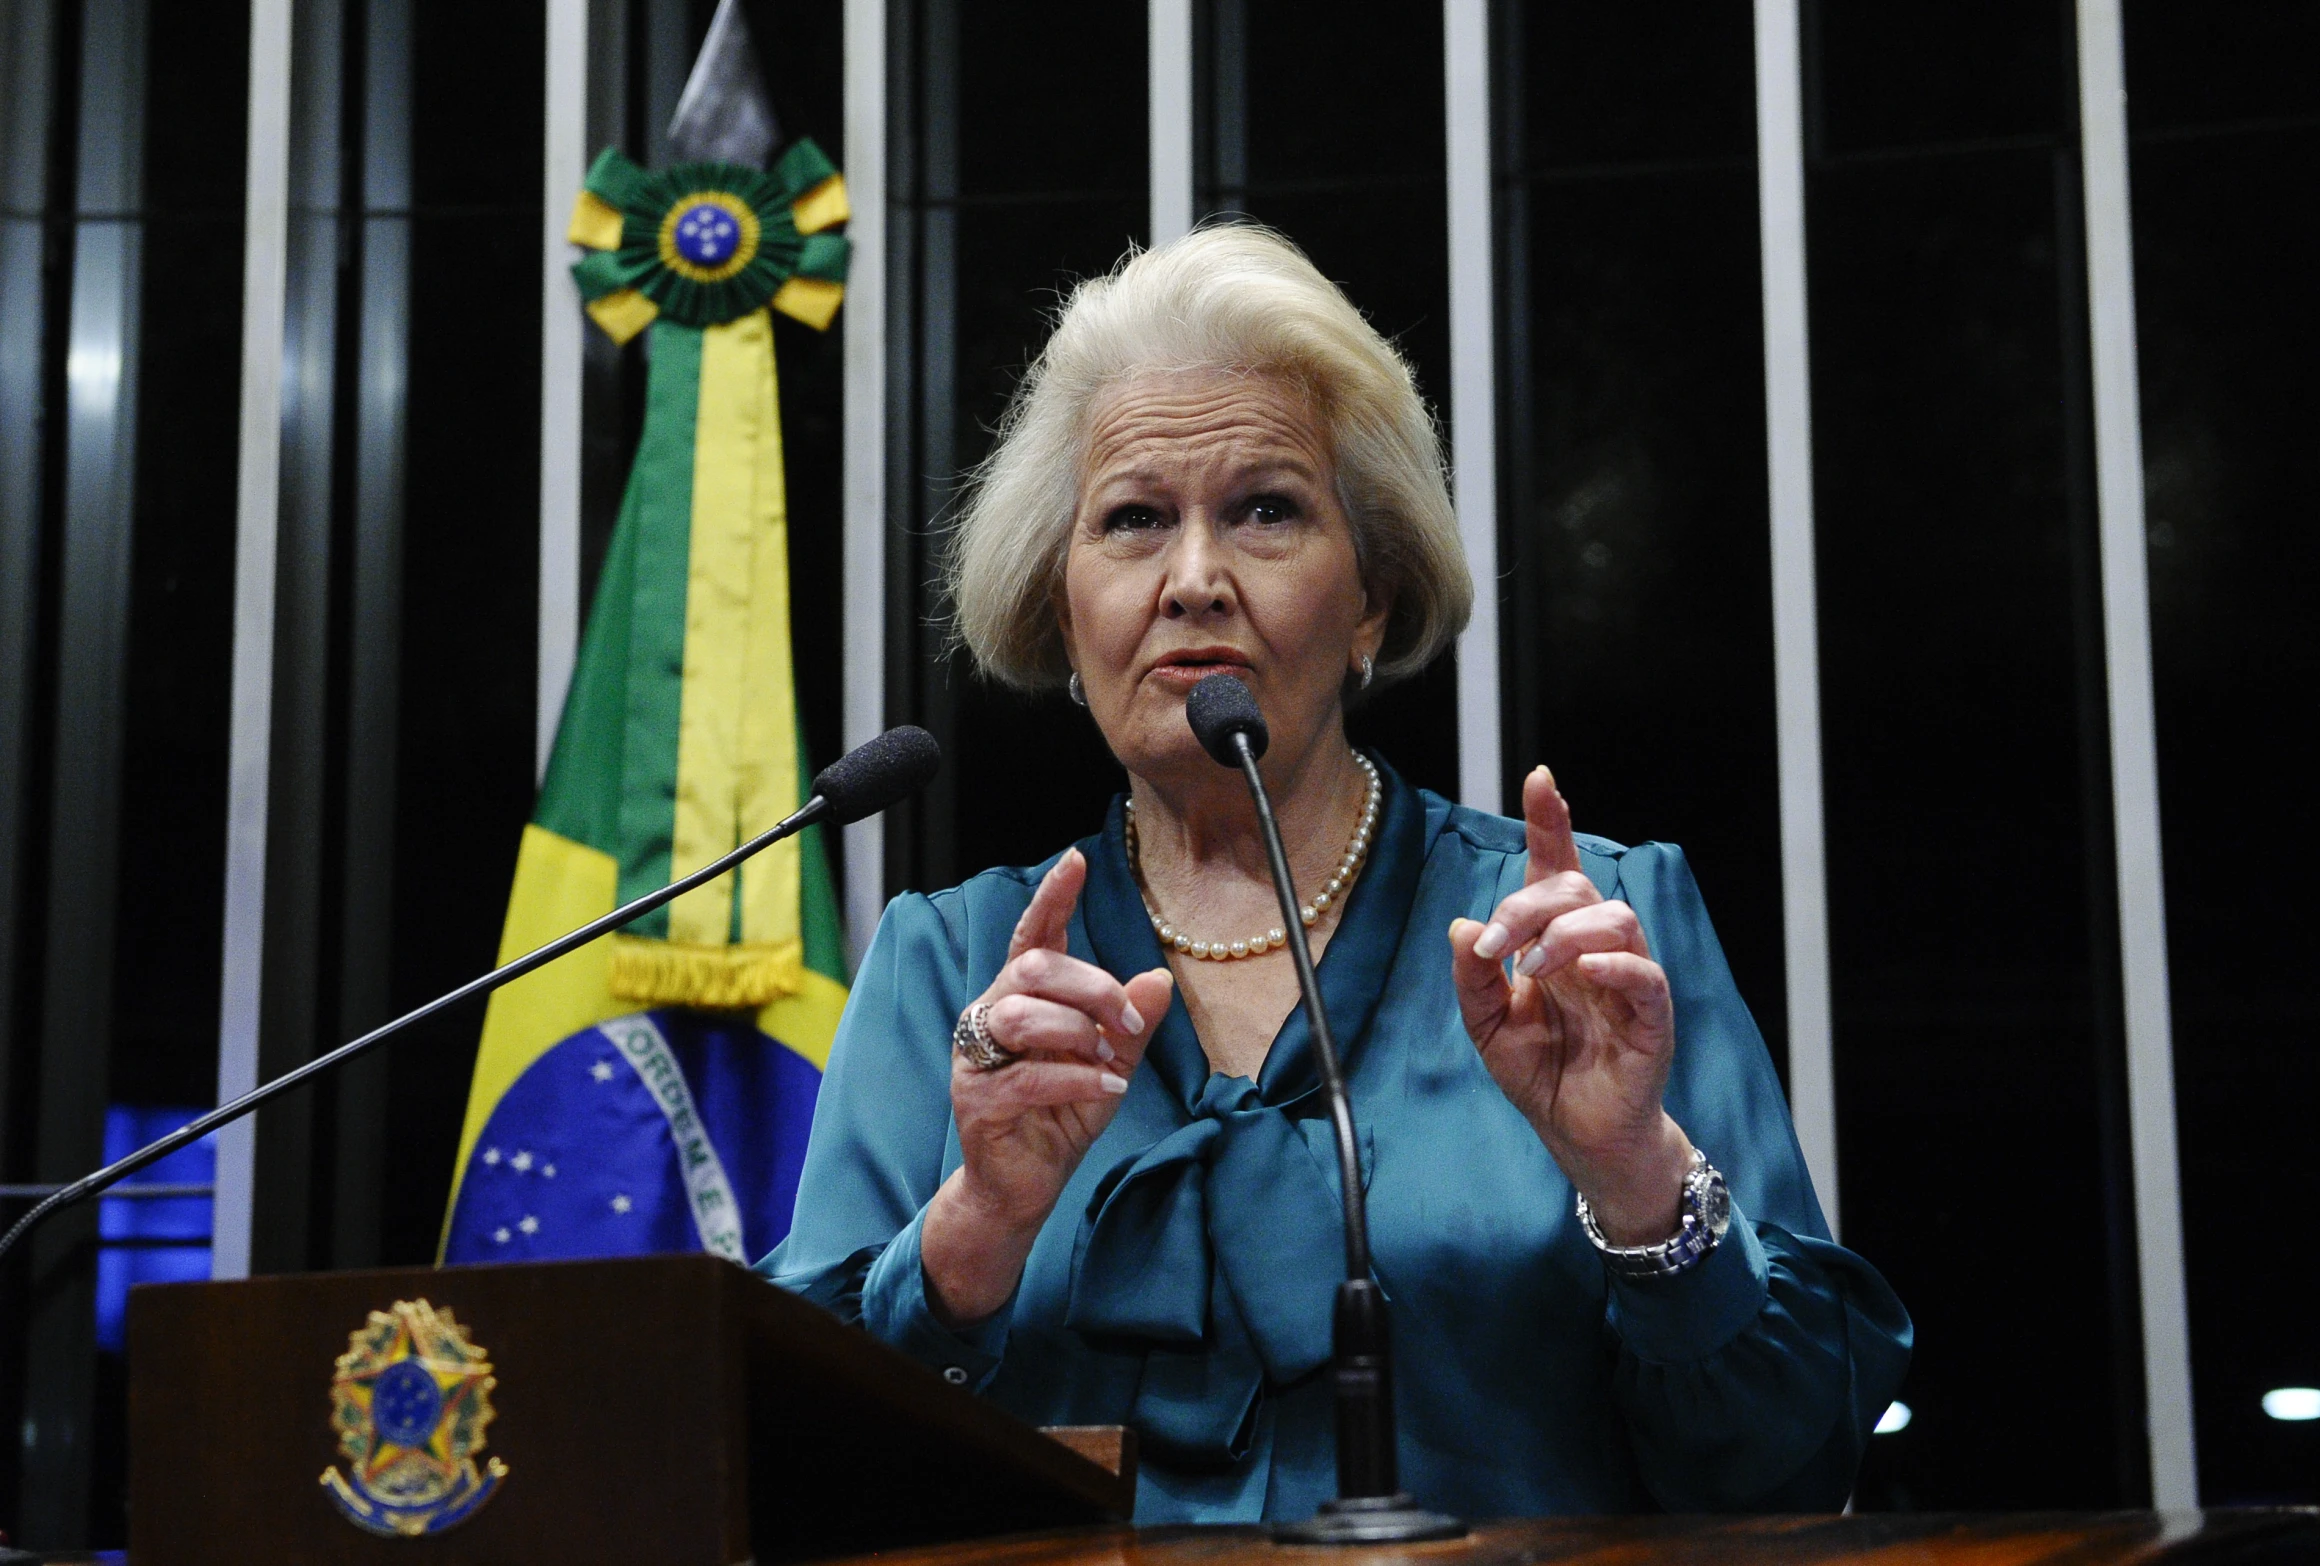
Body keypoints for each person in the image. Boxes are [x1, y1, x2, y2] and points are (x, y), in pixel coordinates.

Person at [760, 224, 1910, 1524]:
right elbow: (792, 1473)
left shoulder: (1589, 937)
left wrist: (1636, 1176)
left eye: (1266, 508)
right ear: (1061, 604)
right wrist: (974, 1231)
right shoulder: (951, 971)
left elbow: (1797, 1463)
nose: (1195, 578)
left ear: (1370, 598)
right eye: (1134, 519)